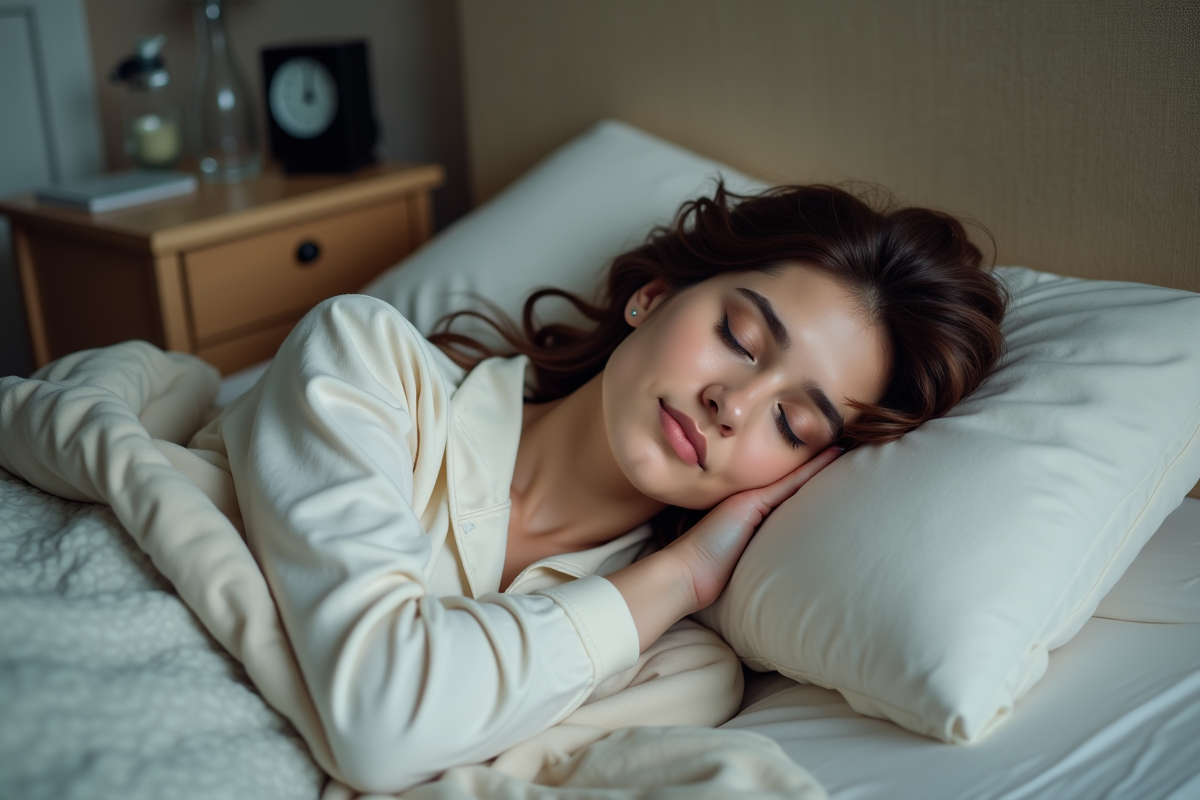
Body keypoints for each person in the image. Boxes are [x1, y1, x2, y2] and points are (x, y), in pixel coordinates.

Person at [193, 182, 1007, 791]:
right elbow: (379, 718)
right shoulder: (368, 363)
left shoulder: (680, 672)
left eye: (793, 426)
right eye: (738, 335)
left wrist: (684, 579)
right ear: (652, 296)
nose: (734, 404)